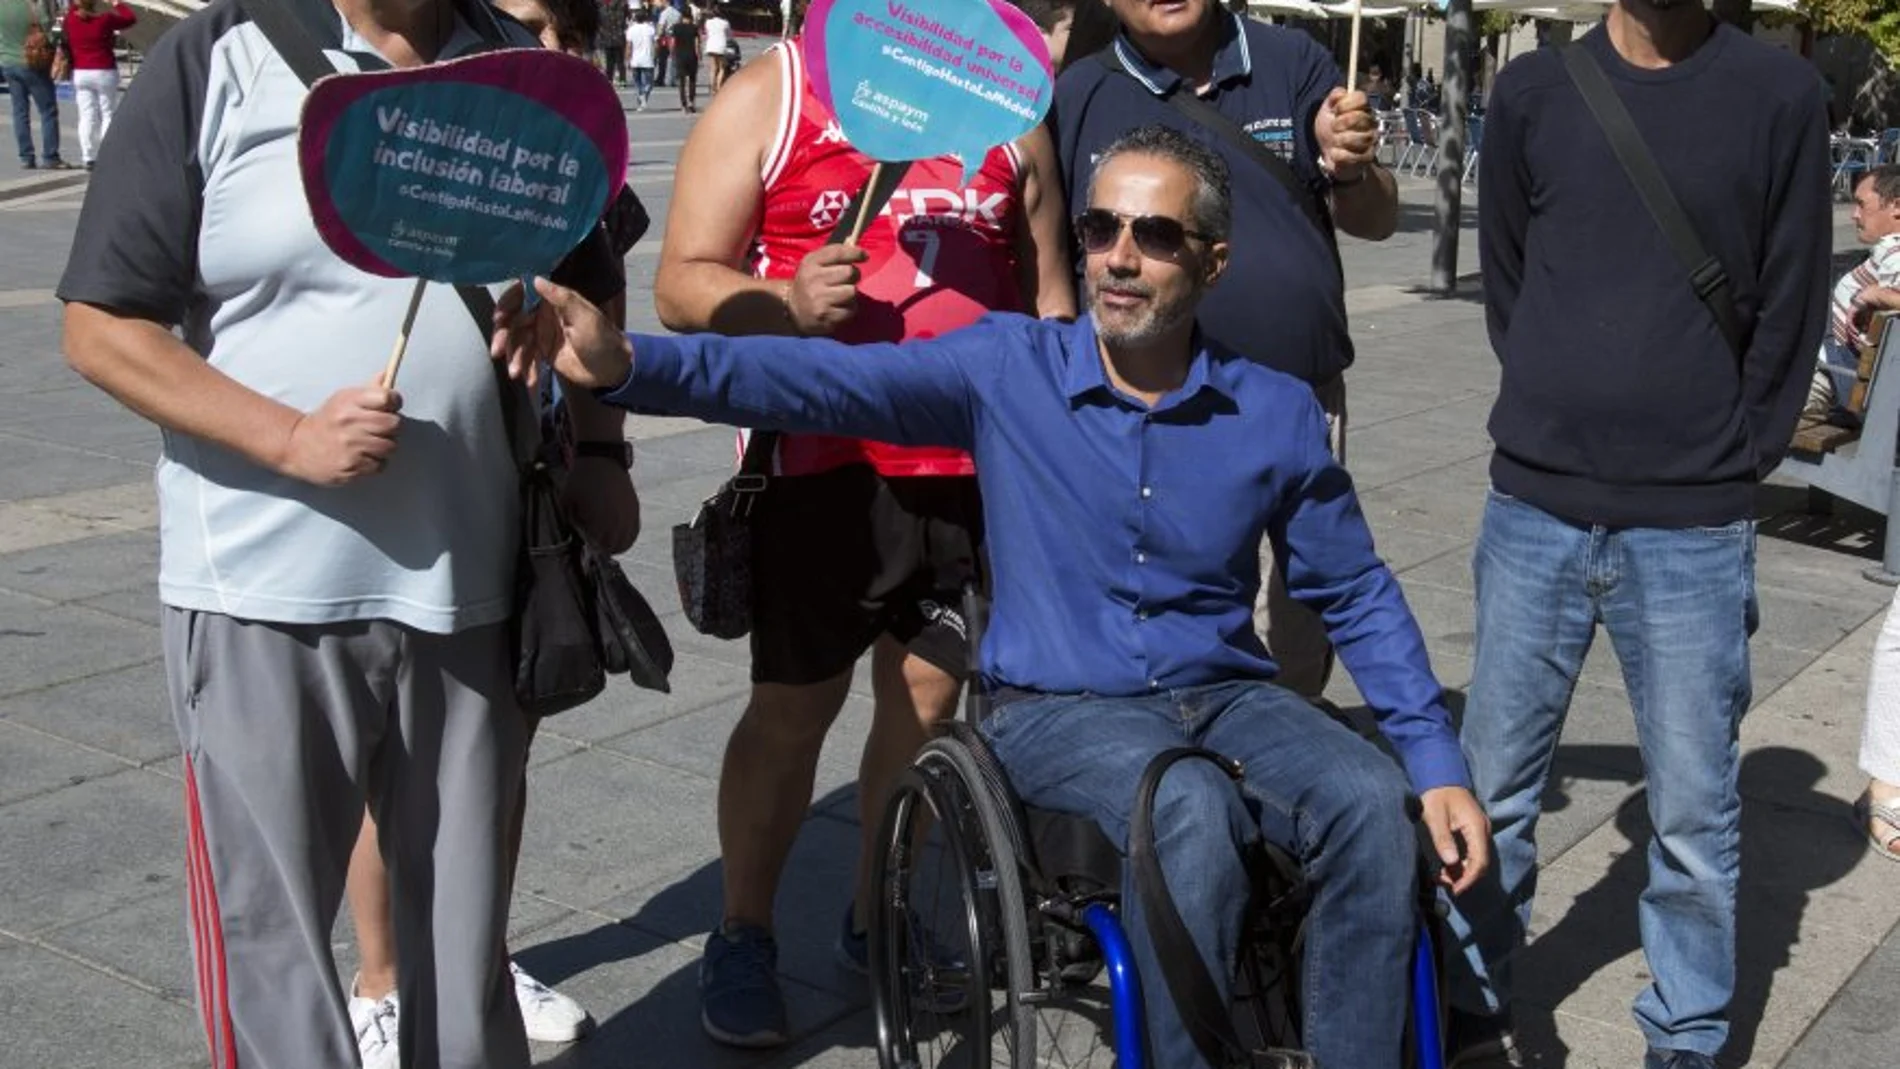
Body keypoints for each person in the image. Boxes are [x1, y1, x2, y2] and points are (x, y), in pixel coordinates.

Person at [500, 123, 1492, 1069]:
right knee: (1184, 803)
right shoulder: (1009, 368)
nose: (1116, 256)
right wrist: (629, 365)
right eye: (1098, 227)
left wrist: (1433, 758)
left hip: (1225, 693)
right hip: (1059, 707)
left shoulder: (1271, 410)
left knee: (1368, 796)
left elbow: (1353, 591)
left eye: (1153, 235)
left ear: (1213, 262)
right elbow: (811, 383)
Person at [54, 0, 637, 1062]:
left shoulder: (518, 69)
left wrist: (601, 439)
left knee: (462, 949)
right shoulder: (213, 57)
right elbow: (101, 323)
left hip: (472, 576)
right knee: (266, 938)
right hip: (261, 586)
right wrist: (285, 438)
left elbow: (591, 286)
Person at [650, 22, 1075, 1048]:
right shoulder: (779, 89)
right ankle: (744, 931)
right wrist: (784, 302)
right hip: (822, 465)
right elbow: (678, 283)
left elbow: (1051, 296)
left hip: (971, 469)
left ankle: (871, 914)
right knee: (794, 709)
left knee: (927, 705)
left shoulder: (1009, 102)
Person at [1440, 1, 1832, 1066]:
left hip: (1693, 520)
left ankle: (1688, 1033)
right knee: (1492, 794)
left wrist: (1732, 447)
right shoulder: (1532, 91)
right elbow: (1511, 280)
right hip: (1533, 503)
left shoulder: (1780, 95)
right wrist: (1557, 404)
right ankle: (1474, 1008)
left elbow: (1794, 294)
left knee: (1696, 813)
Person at [1050, 0, 1399, 701]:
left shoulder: (1292, 60)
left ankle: (1288, 739)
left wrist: (1351, 167)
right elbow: (1051, 248)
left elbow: (1378, 219)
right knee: (1175, 612)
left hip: (1301, 393)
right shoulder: (1079, 93)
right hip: (1152, 412)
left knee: (1305, 607)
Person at [1805, 165, 1900, 423]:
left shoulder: (1895, 252)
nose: (1854, 215)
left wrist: (1876, 295)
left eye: (1861, 204)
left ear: (1896, 207)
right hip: (1853, 377)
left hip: (1847, 378)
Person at [61, 0, 133, 171]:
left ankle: (87, 156)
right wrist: (116, 3)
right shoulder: (105, 20)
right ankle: (107, 153)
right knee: (107, 113)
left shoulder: (70, 20)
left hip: (81, 72)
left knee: (86, 115)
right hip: (104, 69)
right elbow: (130, 18)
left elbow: (73, 9)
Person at [1, 0, 66, 170]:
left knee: (20, 111)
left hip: (8, 62)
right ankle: (50, 156)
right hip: (32, 62)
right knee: (48, 110)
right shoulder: (32, 4)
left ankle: (26, 156)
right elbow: (47, 28)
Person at [668, 0, 697, 111]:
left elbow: (673, 42)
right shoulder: (694, 28)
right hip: (691, 55)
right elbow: (697, 44)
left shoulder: (676, 27)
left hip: (679, 55)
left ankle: (683, 104)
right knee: (692, 80)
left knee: (682, 81)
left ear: (682, 15)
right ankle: (691, 102)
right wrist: (699, 56)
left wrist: (672, 53)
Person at [627, 4, 655, 109]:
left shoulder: (631, 30)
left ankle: (641, 96)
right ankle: (643, 95)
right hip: (647, 59)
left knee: (637, 82)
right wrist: (654, 55)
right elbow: (654, 44)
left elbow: (629, 46)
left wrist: (627, 59)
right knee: (649, 83)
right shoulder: (650, 29)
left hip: (635, 60)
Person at [701, 1, 728, 91]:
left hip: (711, 46)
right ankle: (718, 86)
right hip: (721, 46)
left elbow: (707, 33)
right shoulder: (725, 23)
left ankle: (712, 87)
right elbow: (729, 35)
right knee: (722, 68)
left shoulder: (708, 22)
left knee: (713, 68)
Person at [597, 0, 626, 84]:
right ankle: (622, 80)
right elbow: (623, 24)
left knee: (609, 61)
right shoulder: (620, 10)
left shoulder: (602, 11)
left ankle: (609, 79)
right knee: (620, 61)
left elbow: (600, 26)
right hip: (619, 38)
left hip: (607, 38)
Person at [653, 0, 678, 86]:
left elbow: (661, 26)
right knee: (673, 59)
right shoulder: (677, 13)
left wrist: (657, 38)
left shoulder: (664, 13)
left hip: (665, 39)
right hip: (674, 38)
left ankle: (661, 78)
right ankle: (672, 79)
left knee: (662, 59)